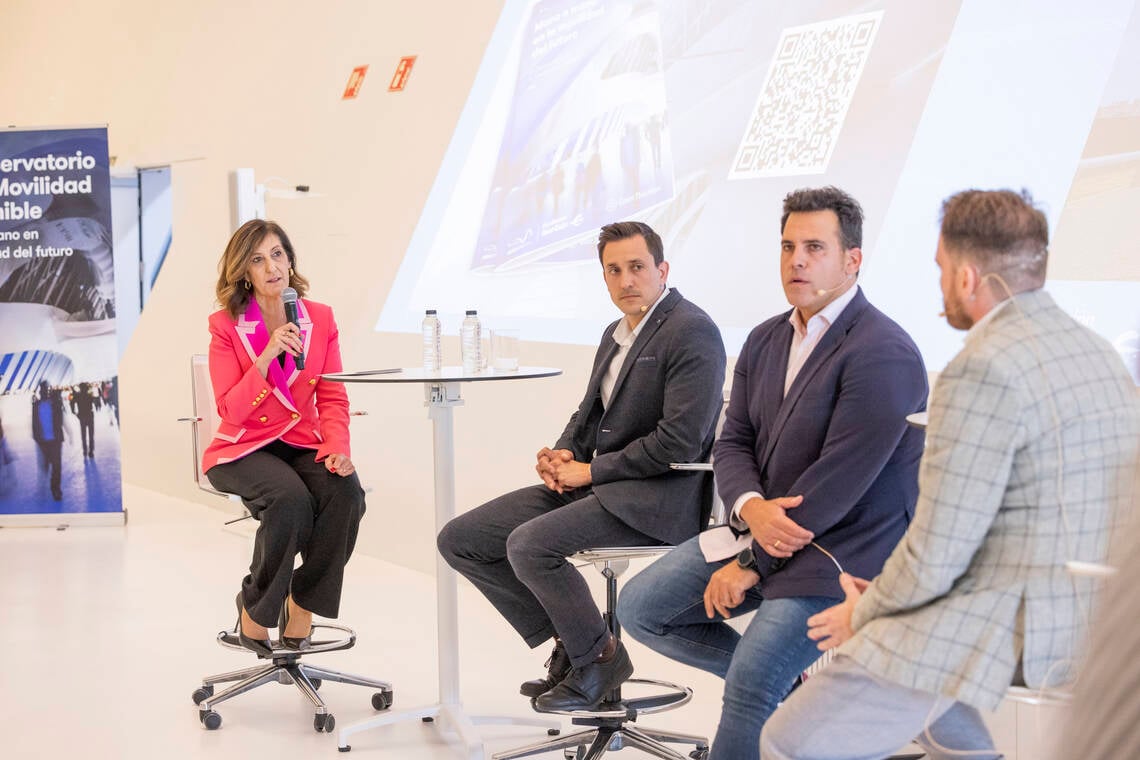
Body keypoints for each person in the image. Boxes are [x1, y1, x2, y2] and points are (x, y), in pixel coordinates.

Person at [760, 189, 1140, 760]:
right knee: (948, 735)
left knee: (788, 742)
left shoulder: (980, 369)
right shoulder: (1099, 353)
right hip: (1089, 621)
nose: (939, 286)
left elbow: (938, 550)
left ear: (966, 277)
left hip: (997, 627)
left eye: (939, 269)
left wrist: (869, 610)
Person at [617, 186, 928, 760]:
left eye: (815, 247)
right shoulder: (764, 339)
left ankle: (770, 686)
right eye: (788, 247)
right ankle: (795, 694)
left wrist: (749, 565)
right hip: (762, 529)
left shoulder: (884, 351)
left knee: (750, 683)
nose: (797, 261)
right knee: (641, 609)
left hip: (843, 549)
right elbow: (733, 439)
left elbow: (837, 487)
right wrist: (750, 508)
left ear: (852, 260)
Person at [437, 221, 726, 711]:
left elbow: (680, 440)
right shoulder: (615, 333)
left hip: (658, 498)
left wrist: (591, 472)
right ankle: (579, 649)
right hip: (602, 486)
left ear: (662, 270)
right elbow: (589, 414)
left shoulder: (691, 330)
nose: (626, 280)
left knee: (529, 545)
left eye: (637, 267)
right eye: (613, 270)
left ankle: (597, 660)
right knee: (462, 539)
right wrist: (564, 453)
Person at [202, 219, 366, 656]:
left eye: (277, 254)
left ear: (290, 260)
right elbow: (231, 409)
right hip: (243, 446)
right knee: (290, 501)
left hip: (300, 441)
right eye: (258, 260)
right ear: (244, 272)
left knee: (346, 493)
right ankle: (255, 607)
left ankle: (302, 604)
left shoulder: (320, 318)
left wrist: (337, 448)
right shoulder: (226, 325)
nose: (271, 267)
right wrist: (267, 354)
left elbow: (332, 395)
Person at [31, 380, 66, 501]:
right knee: (45, 466)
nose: (44, 392)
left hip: (55, 441)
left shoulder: (55, 403)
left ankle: (55, 489)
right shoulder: (36, 405)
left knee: (56, 466)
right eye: (42, 390)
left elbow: (60, 419)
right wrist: (37, 439)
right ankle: (49, 486)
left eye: (46, 390)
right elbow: (34, 424)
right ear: (40, 391)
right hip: (43, 442)